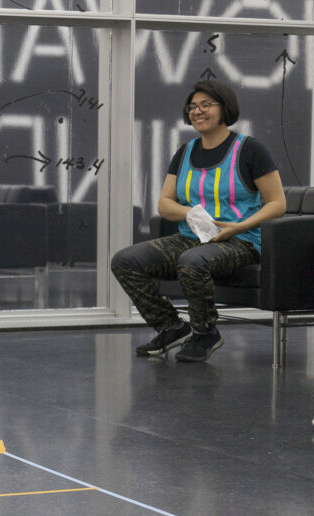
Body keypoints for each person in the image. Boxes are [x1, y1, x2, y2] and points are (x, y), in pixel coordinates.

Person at [111, 80, 286, 362]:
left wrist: (239, 227)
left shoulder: (250, 150)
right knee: (125, 260)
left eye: (206, 105)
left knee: (193, 261)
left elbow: (278, 203)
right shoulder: (185, 151)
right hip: (191, 237)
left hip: (239, 240)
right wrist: (188, 213)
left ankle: (206, 333)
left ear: (224, 108)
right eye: (192, 106)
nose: (197, 111)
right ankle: (171, 327)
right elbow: (165, 203)